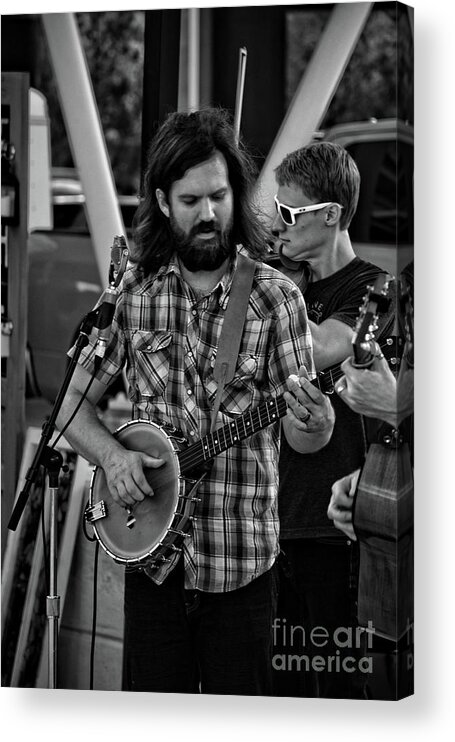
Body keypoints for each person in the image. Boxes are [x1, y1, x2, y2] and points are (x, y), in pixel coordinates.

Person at [57, 108, 335, 696]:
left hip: (242, 571)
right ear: (162, 202)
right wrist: (111, 457)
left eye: (219, 195)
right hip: (152, 561)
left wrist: (317, 421)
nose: (208, 214)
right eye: (190, 201)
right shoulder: (135, 294)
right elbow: (69, 407)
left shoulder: (276, 298)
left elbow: (304, 435)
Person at [269, 141, 395, 699]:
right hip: (271, 520)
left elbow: (322, 347)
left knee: (339, 694)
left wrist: (261, 287)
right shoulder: (282, 281)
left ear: (333, 216)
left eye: (291, 215)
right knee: (276, 696)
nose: (281, 226)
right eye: (278, 212)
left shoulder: (374, 288)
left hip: (334, 526)